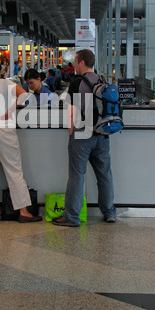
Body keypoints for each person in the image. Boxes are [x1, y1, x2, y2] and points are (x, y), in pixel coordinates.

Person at [0, 59, 42, 223]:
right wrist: (10, 109)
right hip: (2, 130)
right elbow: (25, 96)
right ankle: (23, 212)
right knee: (14, 171)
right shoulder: (5, 83)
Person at [52, 49, 116, 227]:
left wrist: (71, 132)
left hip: (82, 135)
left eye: (76, 61)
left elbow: (71, 112)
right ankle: (109, 212)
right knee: (105, 175)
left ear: (81, 62)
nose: (74, 65)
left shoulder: (77, 83)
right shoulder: (103, 81)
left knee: (77, 176)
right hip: (102, 135)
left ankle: (72, 217)